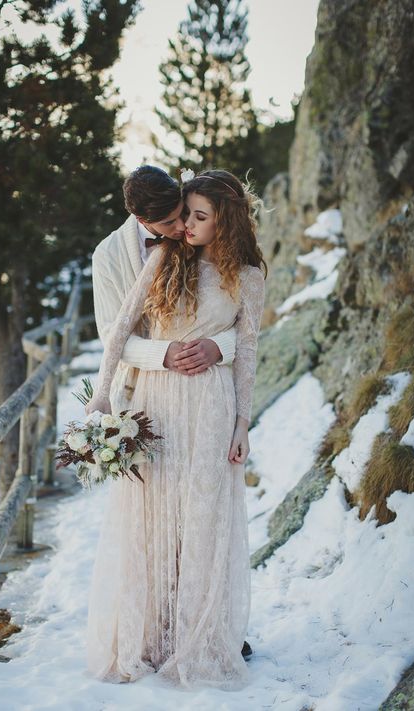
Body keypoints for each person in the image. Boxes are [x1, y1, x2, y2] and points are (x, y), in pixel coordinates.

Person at [86, 169, 267, 691]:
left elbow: (247, 348)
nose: (184, 225)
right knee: (154, 513)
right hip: (157, 402)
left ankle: (205, 632)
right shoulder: (164, 257)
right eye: (180, 216)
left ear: (223, 220)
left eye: (195, 216)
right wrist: (101, 395)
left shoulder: (249, 275)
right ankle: (154, 633)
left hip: (211, 404)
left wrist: (241, 424)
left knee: (205, 515)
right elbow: (118, 330)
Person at [91, 165, 237, 416]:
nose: (182, 227)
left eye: (183, 213)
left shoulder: (200, 235)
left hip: (206, 391)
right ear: (142, 220)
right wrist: (162, 354)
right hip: (138, 396)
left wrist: (220, 346)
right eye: (169, 222)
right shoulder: (107, 256)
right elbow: (110, 332)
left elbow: (240, 316)